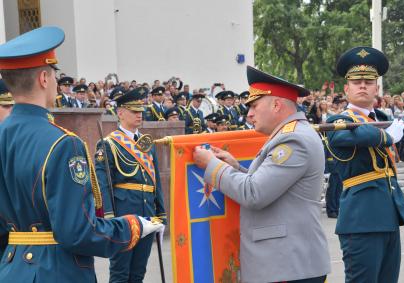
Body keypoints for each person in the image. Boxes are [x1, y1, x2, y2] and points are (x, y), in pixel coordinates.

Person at [0, 26, 163, 282]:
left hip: (11, 269)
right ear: (44, 78)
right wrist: (132, 226)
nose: (56, 80)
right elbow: (77, 231)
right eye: (55, 74)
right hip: (56, 271)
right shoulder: (64, 143)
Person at [193, 66, 330, 283]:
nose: (249, 114)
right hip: (286, 263)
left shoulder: (294, 139)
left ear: (276, 105)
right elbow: (277, 188)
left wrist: (212, 166)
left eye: (255, 105)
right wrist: (236, 168)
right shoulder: (292, 135)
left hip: (286, 265)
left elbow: (255, 193)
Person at [325, 46, 404, 283]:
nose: (362, 85)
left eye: (368, 81)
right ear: (346, 89)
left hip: (389, 215)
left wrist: (392, 130)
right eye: (356, 82)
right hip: (361, 219)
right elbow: (348, 137)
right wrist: (387, 137)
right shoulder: (338, 121)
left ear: (377, 87)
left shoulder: (383, 119)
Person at [95, 87, 166, 282]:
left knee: (138, 272)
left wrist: (161, 214)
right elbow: (103, 184)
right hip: (123, 215)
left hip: (147, 213)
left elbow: (155, 181)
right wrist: (109, 217)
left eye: (141, 111)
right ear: (120, 113)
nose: (139, 115)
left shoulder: (146, 144)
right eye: (134, 111)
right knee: (120, 272)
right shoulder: (108, 144)